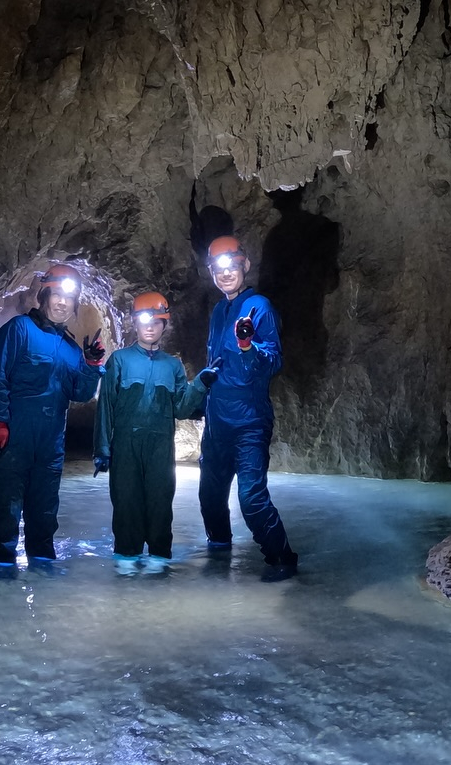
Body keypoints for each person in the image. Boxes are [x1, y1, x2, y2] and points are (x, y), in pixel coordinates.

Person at [0, 262, 106, 568]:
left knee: (45, 510)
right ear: (45, 296)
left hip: (51, 443)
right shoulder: (18, 330)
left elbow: (80, 394)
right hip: (12, 436)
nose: (63, 303)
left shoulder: (71, 349)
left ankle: (42, 569)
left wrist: (90, 367)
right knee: (5, 508)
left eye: (69, 298)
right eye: (57, 295)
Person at [199, 234, 299, 574]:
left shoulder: (260, 307)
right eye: (217, 268)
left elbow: (274, 362)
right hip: (216, 424)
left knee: (252, 500)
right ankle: (219, 562)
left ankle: (282, 561)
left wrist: (247, 345)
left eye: (231, 265)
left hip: (249, 422)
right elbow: (215, 361)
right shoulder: (218, 311)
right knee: (210, 498)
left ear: (245, 264)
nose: (225, 273)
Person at [93, 291, 212, 573]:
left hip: (160, 446)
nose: (150, 326)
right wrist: (102, 449)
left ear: (164, 325)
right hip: (125, 445)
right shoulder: (119, 361)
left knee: (160, 502)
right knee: (126, 502)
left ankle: (159, 558)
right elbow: (105, 408)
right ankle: (126, 557)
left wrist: (201, 385)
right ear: (135, 322)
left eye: (157, 321)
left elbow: (181, 409)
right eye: (144, 320)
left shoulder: (173, 365)